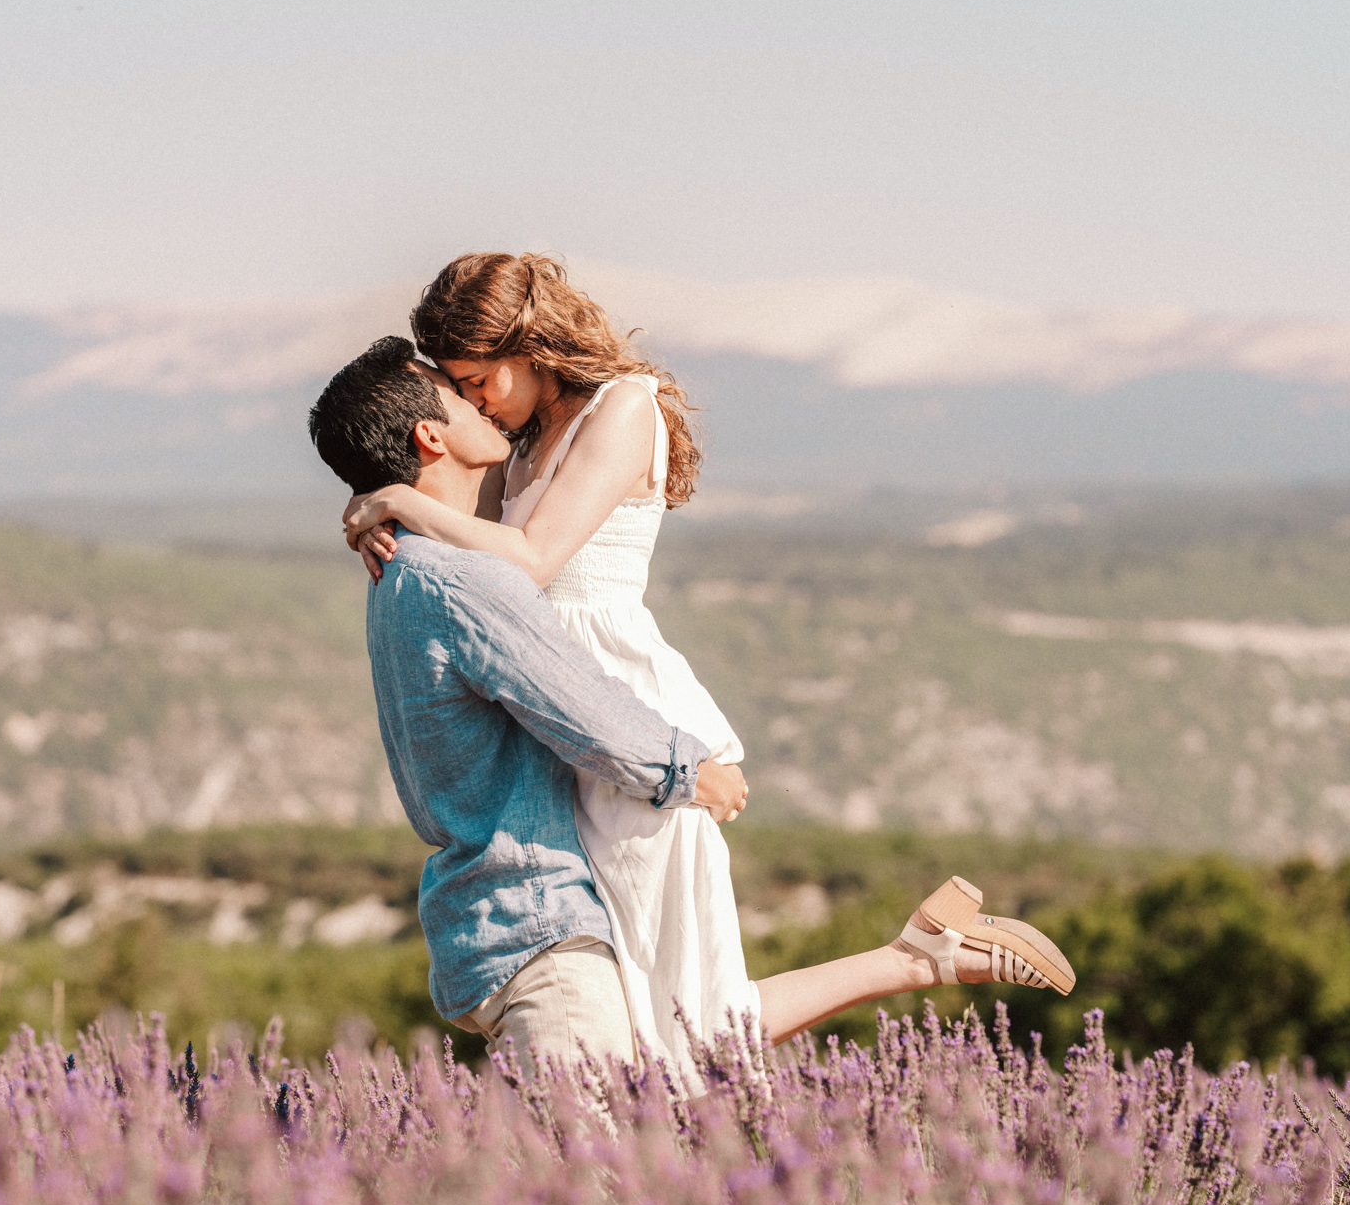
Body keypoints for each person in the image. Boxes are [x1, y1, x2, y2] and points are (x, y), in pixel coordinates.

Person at [311, 334, 1073, 1070]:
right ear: (430, 435)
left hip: (497, 924)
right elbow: (579, 706)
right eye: (461, 393)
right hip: (538, 929)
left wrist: (387, 507)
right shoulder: (460, 579)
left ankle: (919, 956)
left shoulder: (403, 569)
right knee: (603, 1185)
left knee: (690, 1033)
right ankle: (918, 958)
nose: (486, 405)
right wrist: (689, 770)